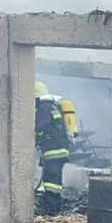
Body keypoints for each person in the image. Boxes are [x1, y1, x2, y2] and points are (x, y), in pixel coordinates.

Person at [35, 81, 73, 213]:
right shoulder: (54, 105)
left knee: (51, 180)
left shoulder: (44, 107)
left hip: (53, 150)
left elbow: (41, 125)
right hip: (59, 149)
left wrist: (34, 135)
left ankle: (50, 207)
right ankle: (54, 207)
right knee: (54, 180)